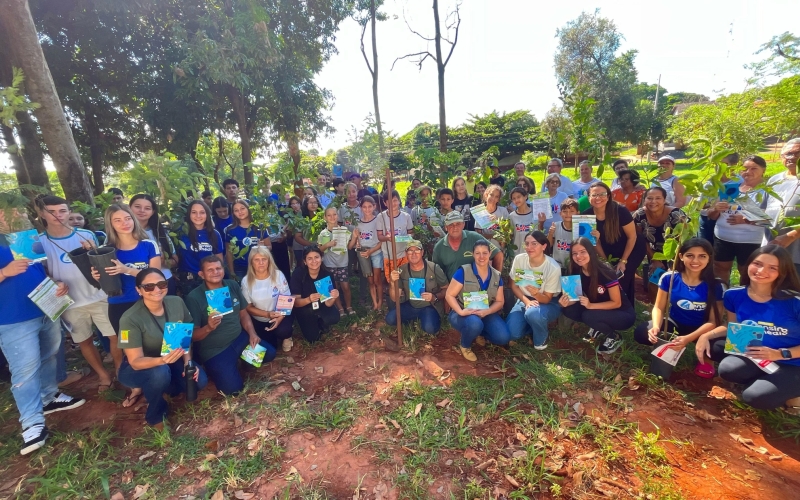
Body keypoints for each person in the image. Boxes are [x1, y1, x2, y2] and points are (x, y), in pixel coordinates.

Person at [0, 238, 85, 455]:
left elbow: (37, 268)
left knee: (50, 354)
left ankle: (49, 396)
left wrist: (55, 283)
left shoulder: (21, 237)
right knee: (24, 369)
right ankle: (31, 423)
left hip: (45, 306)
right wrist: (4, 273)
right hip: (13, 319)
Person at [696, 246, 800, 410]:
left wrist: (780, 354)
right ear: (748, 264)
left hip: (793, 361)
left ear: (782, 272)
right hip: (759, 355)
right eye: (757, 263)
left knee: (754, 397)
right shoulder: (734, 295)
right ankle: (771, 383)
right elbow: (733, 326)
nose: (761, 270)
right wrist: (705, 336)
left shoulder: (794, 301)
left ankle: (791, 394)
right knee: (727, 368)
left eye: (772, 268)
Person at [37, 196, 115, 390]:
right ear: (41, 213)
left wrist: (94, 250)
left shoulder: (85, 235)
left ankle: (121, 369)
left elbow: (100, 262)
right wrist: (54, 282)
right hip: (69, 301)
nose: (58, 216)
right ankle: (103, 375)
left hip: (98, 295)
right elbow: (40, 273)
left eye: (62, 211)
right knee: (84, 340)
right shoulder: (38, 243)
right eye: (51, 211)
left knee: (114, 336)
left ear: (69, 212)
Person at [117, 269, 207, 426]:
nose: (157, 290)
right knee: (159, 373)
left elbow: (182, 340)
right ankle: (156, 415)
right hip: (139, 367)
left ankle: (165, 388)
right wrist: (162, 360)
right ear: (139, 290)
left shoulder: (176, 303)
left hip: (170, 359)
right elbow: (135, 361)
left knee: (199, 382)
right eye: (149, 286)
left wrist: (188, 364)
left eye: (161, 284)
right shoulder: (130, 318)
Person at [92, 204, 161, 394]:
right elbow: (102, 284)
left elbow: (155, 276)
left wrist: (127, 270)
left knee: (151, 342)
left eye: (127, 218)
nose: (124, 223)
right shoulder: (106, 250)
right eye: (118, 220)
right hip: (119, 306)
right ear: (111, 224)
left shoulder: (148, 244)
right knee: (126, 344)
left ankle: (158, 381)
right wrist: (98, 278)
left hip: (147, 302)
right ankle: (134, 385)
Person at [633, 239, 724, 378]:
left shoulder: (716, 285)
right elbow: (658, 307)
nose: (696, 260)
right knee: (642, 332)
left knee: (719, 348)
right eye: (690, 255)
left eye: (702, 256)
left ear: (709, 259)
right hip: (675, 322)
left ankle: (707, 359)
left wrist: (688, 338)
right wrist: (656, 326)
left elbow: (714, 321)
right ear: (681, 256)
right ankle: (664, 348)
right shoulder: (669, 278)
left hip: (702, 328)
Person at [185, 256, 275, 395]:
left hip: (240, 339)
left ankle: (243, 361)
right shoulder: (194, 297)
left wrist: (252, 333)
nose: (215, 272)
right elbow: (193, 336)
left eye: (218, 268)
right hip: (216, 350)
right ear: (201, 274)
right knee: (233, 390)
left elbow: (243, 314)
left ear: (223, 270)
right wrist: (208, 327)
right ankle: (220, 367)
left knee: (269, 354)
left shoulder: (231, 285)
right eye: (210, 270)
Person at [559, 238, 636, 354]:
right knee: (568, 310)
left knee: (588, 315)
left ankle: (613, 336)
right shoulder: (575, 269)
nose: (578, 256)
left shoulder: (605, 271)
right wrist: (565, 302)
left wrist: (590, 305)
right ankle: (598, 326)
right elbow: (573, 297)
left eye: (582, 252)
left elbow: (616, 303)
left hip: (623, 313)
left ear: (591, 251)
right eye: (574, 253)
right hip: (598, 308)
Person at [446, 240, 511, 361]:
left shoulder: (496, 275)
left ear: (490, 253)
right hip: (463, 313)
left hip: (485, 312)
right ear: (473, 254)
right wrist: (461, 311)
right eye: (478, 253)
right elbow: (449, 295)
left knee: (503, 337)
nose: (481, 257)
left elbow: (500, 301)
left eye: (485, 253)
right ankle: (465, 345)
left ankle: (479, 332)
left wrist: (487, 312)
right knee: (474, 324)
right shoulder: (463, 272)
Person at [708, 155, 768, 285]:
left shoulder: (767, 191)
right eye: (745, 168)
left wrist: (745, 219)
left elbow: (771, 219)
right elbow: (711, 216)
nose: (748, 172)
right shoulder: (731, 187)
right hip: (722, 238)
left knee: (746, 272)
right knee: (719, 268)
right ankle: (721, 297)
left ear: (763, 170)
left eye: (754, 168)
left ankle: (742, 299)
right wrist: (715, 209)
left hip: (751, 241)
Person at [584, 182, 646, 305]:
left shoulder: (620, 211)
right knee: (612, 274)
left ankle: (626, 310)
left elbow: (632, 237)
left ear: (608, 196)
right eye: (594, 195)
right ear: (588, 197)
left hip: (632, 247)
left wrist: (623, 261)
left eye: (602, 194)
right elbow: (595, 243)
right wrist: (606, 262)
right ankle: (619, 306)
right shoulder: (586, 215)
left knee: (623, 276)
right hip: (608, 249)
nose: (598, 198)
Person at [506, 231, 562, 349]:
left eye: (534, 244)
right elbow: (514, 286)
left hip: (548, 302)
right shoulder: (519, 259)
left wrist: (536, 293)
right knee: (512, 333)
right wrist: (526, 301)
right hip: (524, 299)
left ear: (544, 246)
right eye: (527, 244)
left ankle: (541, 337)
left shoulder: (553, 267)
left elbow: (547, 299)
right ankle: (533, 324)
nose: (529, 247)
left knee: (533, 314)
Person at [386, 239, 448, 335]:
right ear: (406, 253)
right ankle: (412, 318)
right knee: (390, 319)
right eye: (410, 251)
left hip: (429, 306)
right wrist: (392, 283)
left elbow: (446, 289)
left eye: (417, 250)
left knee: (430, 329)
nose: (414, 254)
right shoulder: (401, 270)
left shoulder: (434, 268)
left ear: (422, 252)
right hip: (410, 305)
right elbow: (395, 298)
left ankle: (424, 319)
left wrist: (434, 297)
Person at [241, 246, 295, 352]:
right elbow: (248, 307)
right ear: (251, 262)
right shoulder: (246, 281)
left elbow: (287, 298)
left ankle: (286, 336)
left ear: (269, 261)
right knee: (271, 348)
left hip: (280, 314)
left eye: (264, 259)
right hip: (259, 319)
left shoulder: (278, 275)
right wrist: (267, 314)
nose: (261, 263)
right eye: (257, 259)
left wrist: (280, 317)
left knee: (284, 331)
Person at [633, 187, 688, 286]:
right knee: (656, 283)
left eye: (658, 198)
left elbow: (684, 241)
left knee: (677, 284)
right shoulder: (639, 215)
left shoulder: (676, 214)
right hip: (654, 253)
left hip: (678, 254)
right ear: (644, 200)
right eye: (649, 198)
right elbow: (639, 239)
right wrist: (655, 259)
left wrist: (674, 263)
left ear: (664, 200)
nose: (653, 201)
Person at [290, 246, 341, 343]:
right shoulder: (298, 274)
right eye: (309, 258)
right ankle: (310, 323)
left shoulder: (326, 274)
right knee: (313, 338)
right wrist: (308, 299)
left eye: (316, 257)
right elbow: (295, 303)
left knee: (334, 317)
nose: (314, 261)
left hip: (322, 306)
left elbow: (328, 304)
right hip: (304, 308)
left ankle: (322, 323)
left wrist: (334, 297)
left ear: (321, 258)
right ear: (305, 261)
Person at [130, 194, 179, 295]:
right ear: (129, 208)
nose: (142, 210)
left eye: (147, 208)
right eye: (137, 206)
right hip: (130, 285)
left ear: (153, 212)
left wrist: (163, 261)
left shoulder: (160, 234)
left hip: (162, 284)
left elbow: (175, 260)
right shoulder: (118, 233)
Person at [764, 139, 800, 275]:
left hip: (796, 253)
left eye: (797, 153)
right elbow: (766, 209)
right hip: (772, 249)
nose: (792, 157)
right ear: (782, 157)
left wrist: (790, 236)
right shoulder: (775, 180)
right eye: (788, 154)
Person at [433, 211, 503, 280]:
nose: (455, 227)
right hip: (452, 289)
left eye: (458, 224)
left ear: (463, 224)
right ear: (446, 227)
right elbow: (437, 272)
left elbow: (498, 254)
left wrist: (495, 280)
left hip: (476, 289)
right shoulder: (439, 247)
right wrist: (446, 288)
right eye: (451, 224)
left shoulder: (474, 237)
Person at [177, 200, 224, 295]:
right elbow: (175, 256)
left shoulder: (214, 234)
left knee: (219, 308)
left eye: (202, 212)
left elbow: (219, 258)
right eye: (194, 212)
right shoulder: (181, 233)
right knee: (194, 308)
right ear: (189, 214)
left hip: (211, 277)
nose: (198, 216)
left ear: (207, 214)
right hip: (188, 279)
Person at [318, 206, 359, 315]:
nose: (332, 217)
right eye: (329, 215)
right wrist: (328, 244)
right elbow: (319, 249)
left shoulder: (343, 230)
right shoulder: (323, 233)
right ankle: (340, 308)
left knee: (346, 286)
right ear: (325, 217)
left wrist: (354, 237)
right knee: (334, 287)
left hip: (343, 263)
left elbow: (350, 247)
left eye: (334, 214)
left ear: (338, 215)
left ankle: (349, 307)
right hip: (329, 264)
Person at [224, 200, 269, 280]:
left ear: (248, 209)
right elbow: (229, 252)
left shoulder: (260, 226)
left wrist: (262, 247)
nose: (240, 212)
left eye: (242, 208)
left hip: (259, 266)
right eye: (236, 210)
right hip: (240, 268)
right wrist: (231, 271)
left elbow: (269, 246)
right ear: (233, 213)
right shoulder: (230, 229)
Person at [377, 190, 415, 280]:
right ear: (385, 203)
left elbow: (411, 233)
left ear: (399, 201)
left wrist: (405, 238)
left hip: (404, 254)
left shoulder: (406, 216)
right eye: (389, 201)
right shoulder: (381, 217)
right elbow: (379, 236)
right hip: (388, 255)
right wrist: (387, 238)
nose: (393, 203)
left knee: (405, 280)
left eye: (395, 200)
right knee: (392, 281)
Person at [356, 196, 384, 310]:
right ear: (361, 208)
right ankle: (374, 303)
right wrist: (358, 245)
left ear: (374, 207)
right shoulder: (358, 223)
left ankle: (381, 301)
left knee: (377, 279)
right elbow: (358, 239)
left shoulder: (378, 220)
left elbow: (381, 241)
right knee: (370, 280)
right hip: (364, 253)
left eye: (369, 206)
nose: (367, 209)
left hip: (376, 252)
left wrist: (371, 251)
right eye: (364, 207)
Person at [548, 198, 579, 271]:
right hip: (557, 265)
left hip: (574, 266)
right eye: (565, 211)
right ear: (560, 213)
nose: (568, 214)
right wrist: (550, 234)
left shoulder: (580, 228)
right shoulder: (556, 226)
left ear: (577, 213)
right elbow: (549, 245)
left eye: (572, 211)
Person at [508, 187, 538, 258]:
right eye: (514, 198)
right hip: (517, 254)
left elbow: (539, 234)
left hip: (533, 253)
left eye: (519, 197)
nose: (516, 200)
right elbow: (511, 236)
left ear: (525, 196)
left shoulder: (535, 214)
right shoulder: (511, 216)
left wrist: (542, 222)